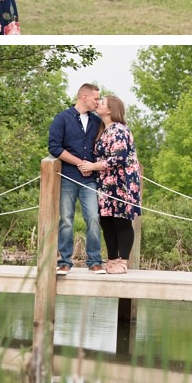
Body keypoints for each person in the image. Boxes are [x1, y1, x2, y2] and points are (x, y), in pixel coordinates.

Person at [48, 84, 105, 275]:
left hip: (90, 180)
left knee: (94, 218)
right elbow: (54, 147)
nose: (98, 102)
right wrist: (80, 163)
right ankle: (64, 262)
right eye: (96, 98)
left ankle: (95, 261)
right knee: (66, 220)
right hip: (67, 178)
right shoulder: (62, 118)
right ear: (83, 96)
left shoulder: (97, 122)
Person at [84, 94, 141, 274]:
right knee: (106, 221)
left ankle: (123, 261)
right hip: (105, 183)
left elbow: (118, 157)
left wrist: (93, 166)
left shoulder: (119, 129)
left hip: (121, 182)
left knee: (121, 220)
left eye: (102, 103)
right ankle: (112, 258)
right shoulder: (104, 129)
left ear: (110, 110)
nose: (98, 104)